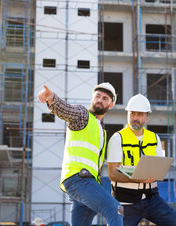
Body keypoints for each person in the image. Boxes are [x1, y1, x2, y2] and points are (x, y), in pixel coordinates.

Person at [37, 82, 123, 225]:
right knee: (116, 209)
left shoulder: (101, 129)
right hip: (79, 179)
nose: (100, 100)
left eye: (105, 98)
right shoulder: (83, 115)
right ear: (92, 98)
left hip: (86, 184)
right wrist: (52, 98)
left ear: (111, 105)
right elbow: (67, 110)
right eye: (98, 96)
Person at [107, 94, 176, 226]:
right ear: (127, 115)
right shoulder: (117, 138)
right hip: (125, 202)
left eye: (140, 114)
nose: (135, 118)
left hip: (151, 199)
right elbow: (112, 173)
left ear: (147, 117)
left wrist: (155, 175)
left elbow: (159, 168)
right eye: (132, 114)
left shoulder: (154, 138)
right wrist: (137, 178)